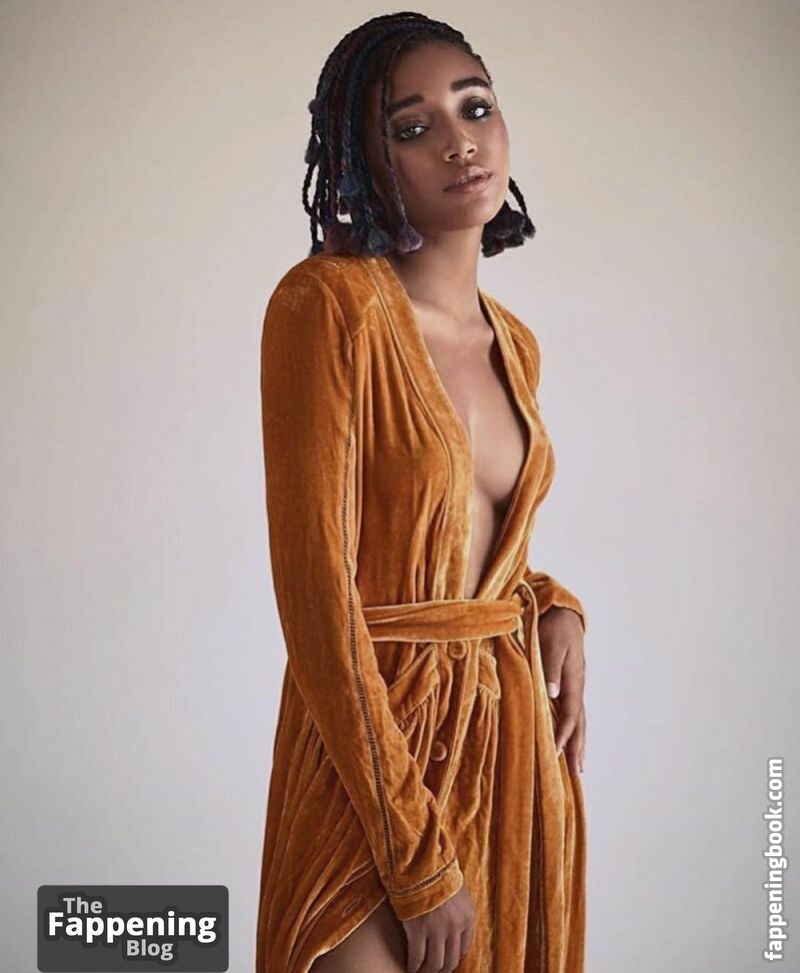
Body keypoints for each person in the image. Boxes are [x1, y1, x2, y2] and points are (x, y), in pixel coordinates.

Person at [256, 12, 588, 973]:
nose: (458, 141)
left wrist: (552, 603)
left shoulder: (516, 343)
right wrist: (412, 853)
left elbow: (471, 548)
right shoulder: (327, 307)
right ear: (368, 161)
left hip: (507, 754)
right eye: (412, 126)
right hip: (370, 758)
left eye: (474, 107)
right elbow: (316, 596)